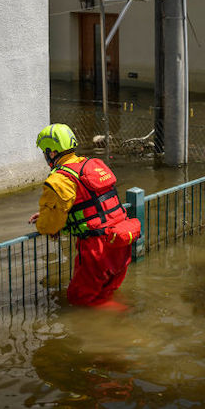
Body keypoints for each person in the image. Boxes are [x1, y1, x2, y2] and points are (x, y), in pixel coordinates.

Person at [29, 123, 141, 307]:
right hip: (121, 239)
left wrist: (44, 222)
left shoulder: (59, 179)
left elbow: (49, 226)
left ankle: (129, 324)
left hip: (98, 247)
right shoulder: (92, 165)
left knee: (81, 299)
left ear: (51, 153)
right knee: (105, 293)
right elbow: (91, 206)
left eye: (44, 152)